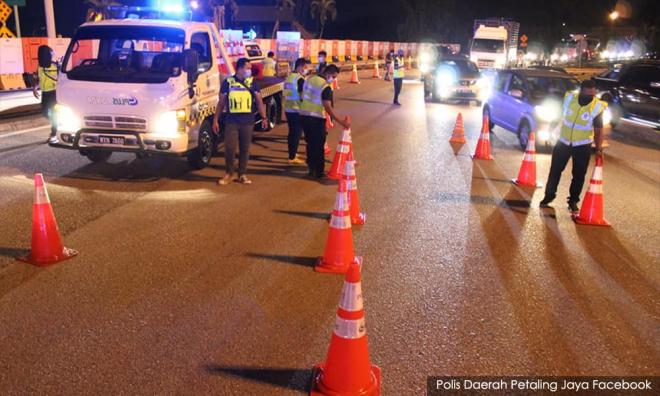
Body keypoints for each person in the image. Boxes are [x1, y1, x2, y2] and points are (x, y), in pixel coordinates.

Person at [540, 79, 607, 213]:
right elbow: (558, 116)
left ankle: (573, 201)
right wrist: (550, 131)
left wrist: (598, 149)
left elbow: (599, 130)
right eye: (588, 94)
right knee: (555, 170)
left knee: (579, 175)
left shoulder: (597, 107)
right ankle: (549, 196)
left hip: (582, 145)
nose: (590, 97)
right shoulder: (569, 99)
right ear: (581, 91)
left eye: (592, 95)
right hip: (563, 142)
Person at [212, 58, 268, 186]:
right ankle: (229, 174)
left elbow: (259, 102)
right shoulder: (228, 83)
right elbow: (221, 104)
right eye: (247, 68)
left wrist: (264, 117)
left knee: (245, 149)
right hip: (232, 121)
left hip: (248, 122)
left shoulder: (252, 83)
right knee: (230, 148)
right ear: (240, 68)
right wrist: (215, 120)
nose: (250, 70)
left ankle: (242, 174)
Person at [300, 64, 350, 179]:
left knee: (310, 143)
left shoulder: (309, 79)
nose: (334, 79)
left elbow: (303, 95)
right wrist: (340, 121)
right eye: (333, 76)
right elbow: (328, 107)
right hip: (316, 117)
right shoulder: (325, 86)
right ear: (327, 74)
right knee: (318, 146)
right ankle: (318, 172)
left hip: (304, 115)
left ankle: (311, 168)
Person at [283, 58, 309, 165]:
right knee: (296, 134)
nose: (306, 69)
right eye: (305, 67)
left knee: (292, 133)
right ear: (300, 66)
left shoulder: (289, 77)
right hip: (297, 110)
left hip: (289, 109)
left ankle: (292, 153)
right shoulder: (300, 79)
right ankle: (292, 157)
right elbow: (303, 95)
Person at [33, 45, 58, 140]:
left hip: (53, 93)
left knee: (54, 113)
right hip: (45, 93)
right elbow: (40, 80)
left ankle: (53, 133)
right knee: (45, 113)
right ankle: (55, 122)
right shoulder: (40, 68)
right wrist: (35, 88)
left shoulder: (55, 66)